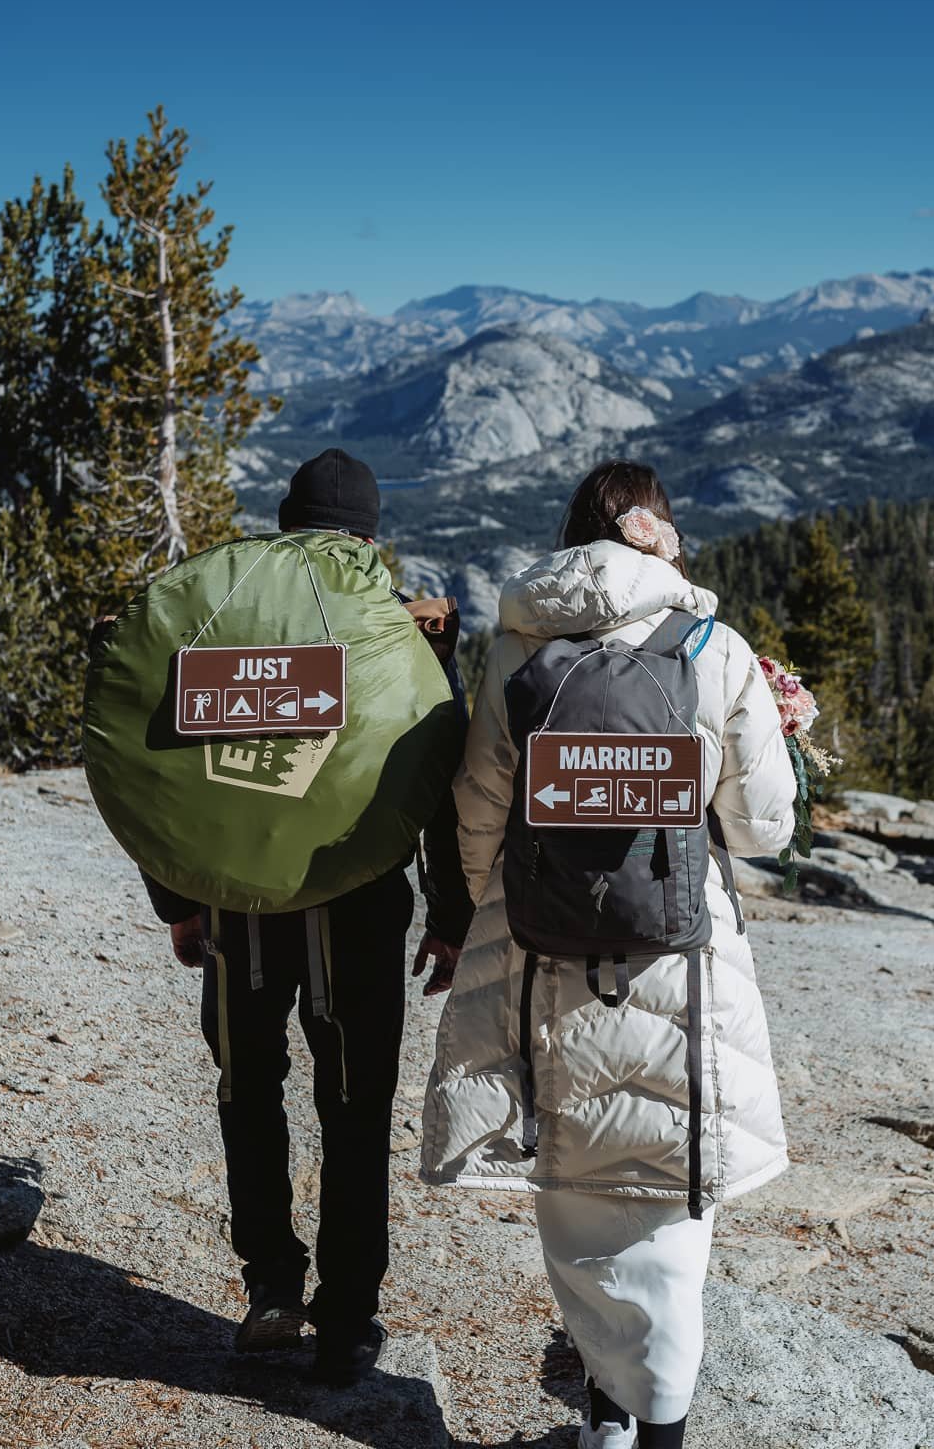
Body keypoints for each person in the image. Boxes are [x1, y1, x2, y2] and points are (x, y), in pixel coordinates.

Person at [420, 460, 797, 1447]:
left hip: (543, 958)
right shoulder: (714, 647)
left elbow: (477, 810)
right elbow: (763, 827)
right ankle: (659, 1429)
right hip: (679, 963)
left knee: (576, 1198)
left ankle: (605, 1419)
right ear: (661, 536)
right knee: (669, 1208)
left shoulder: (516, 650)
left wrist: (493, 898)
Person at [138, 447, 473, 1387]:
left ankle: (272, 1288)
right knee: (356, 1109)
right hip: (359, 909)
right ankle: (349, 1320)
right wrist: (449, 915)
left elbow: (160, 773)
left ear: (285, 531)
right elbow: (438, 777)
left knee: (248, 1091)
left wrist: (178, 900)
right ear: (368, 537)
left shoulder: (229, 619)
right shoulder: (403, 633)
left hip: (239, 903)